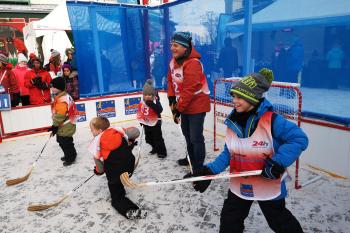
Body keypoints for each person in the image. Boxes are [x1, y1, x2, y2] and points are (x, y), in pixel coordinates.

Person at [185, 68, 308, 233]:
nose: (234, 101)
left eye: (239, 97)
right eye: (233, 96)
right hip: (240, 183)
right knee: (230, 220)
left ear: (253, 97)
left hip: (267, 183)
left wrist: (278, 162)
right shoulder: (233, 121)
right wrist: (209, 171)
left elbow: (299, 139)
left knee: (280, 221)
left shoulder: (273, 121)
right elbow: (230, 152)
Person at [88, 116, 147, 220]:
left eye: (92, 129)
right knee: (119, 175)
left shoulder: (96, 144)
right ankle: (122, 187)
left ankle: (130, 210)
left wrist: (97, 172)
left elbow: (100, 169)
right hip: (129, 166)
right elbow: (136, 132)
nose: (91, 132)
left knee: (116, 197)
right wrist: (130, 139)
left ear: (100, 130)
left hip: (116, 172)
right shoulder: (118, 131)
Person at [167, 31, 211, 170]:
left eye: (176, 45)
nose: (172, 48)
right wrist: (172, 100)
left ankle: (198, 168)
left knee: (195, 138)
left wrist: (178, 109)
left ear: (185, 48)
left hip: (196, 105)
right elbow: (170, 80)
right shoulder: (174, 62)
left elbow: (189, 89)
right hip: (183, 104)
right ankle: (190, 158)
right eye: (171, 45)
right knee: (187, 135)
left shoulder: (193, 63)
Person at [48, 76, 77, 166]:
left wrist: (54, 126)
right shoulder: (61, 96)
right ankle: (69, 154)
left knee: (66, 142)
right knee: (61, 141)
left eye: (52, 86)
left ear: (58, 88)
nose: (51, 88)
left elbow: (61, 115)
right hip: (63, 125)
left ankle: (71, 157)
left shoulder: (62, 100)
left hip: (66, 125)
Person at [136, 79, 167, 158]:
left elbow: (160, 110)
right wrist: (141, 121)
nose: (148, 97)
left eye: (150, 95)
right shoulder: (142, 103)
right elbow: (140, 112)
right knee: (148, 139)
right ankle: (155, 148)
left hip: (156, 122)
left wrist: (152, 105)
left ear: (153, 96)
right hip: (146, 123)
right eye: (146, 95)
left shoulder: (155, 102)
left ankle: (162, 152)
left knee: (158, 138)